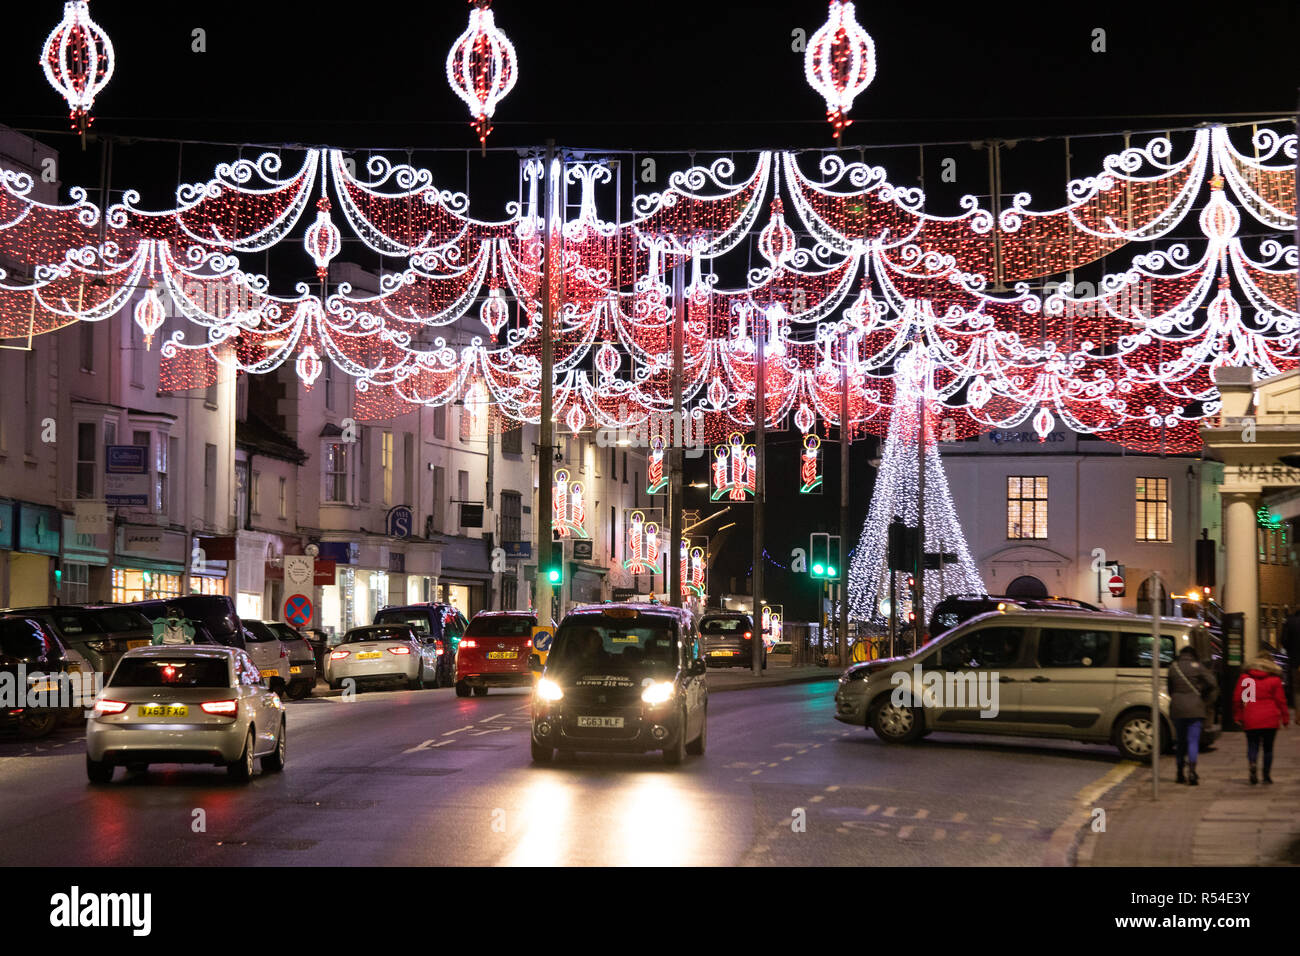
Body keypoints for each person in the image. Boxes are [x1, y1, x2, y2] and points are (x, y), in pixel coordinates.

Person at [1233, 649, 1290, 785]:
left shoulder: (1247, 679)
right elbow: (1281, 701)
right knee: (1268, 748)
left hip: (1251, 717)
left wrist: (1238, 715)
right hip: (1270, 718)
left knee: (1252, 745)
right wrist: (1285, 718)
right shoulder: (1274, 680)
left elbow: (1240, 699)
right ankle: (1266, 775)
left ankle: (1253, 763)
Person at [1168, 644, 1217, 785]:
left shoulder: (1173, 667)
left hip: (1177, 708)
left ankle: (1179, 772)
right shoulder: (1198, 666)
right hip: (1196, 707)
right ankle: (1192, 772)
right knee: (1193, 741)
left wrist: (1177, 698)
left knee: (1180, 741)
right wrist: (1202, 693)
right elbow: (1212, 683)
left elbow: (1170, 689)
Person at [1281, 607, 1300, 716]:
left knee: (1297, 688)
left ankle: (1299, 714)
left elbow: (1284, 640)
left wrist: (1290, 651)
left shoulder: (1290, 621)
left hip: (1295, 661)